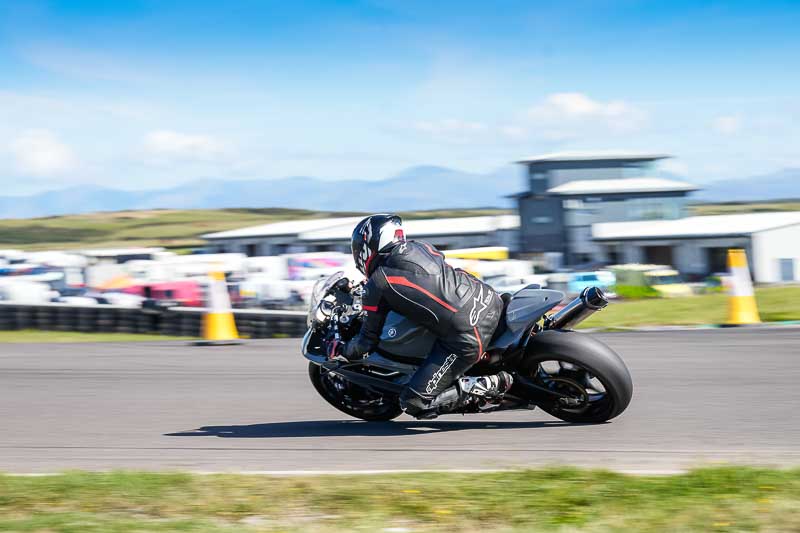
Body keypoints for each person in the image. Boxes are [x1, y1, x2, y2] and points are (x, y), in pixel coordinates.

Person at [336, 213, 513, 418]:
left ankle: (488, 384)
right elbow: (423, 278)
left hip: (468, 335)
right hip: (489, 299)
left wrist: (342, 350)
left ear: (370, 245)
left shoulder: (378, 283)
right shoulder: (419, 247)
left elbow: (366, 342)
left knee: (413, 403)